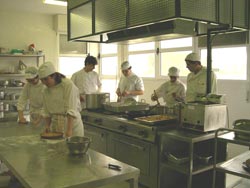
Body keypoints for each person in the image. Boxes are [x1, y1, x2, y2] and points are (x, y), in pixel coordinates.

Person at [38, 61, 83, 137]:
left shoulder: (68, 85)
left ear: (54, 76)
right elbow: (47, 111)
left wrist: (69, 131)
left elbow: (71, 110)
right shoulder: (45, 90)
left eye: (46, 79)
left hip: (71, 125)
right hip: (56, 125)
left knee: (71, 148)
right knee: (55, 148)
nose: (44, 82)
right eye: (42, 80)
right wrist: (47, 126)